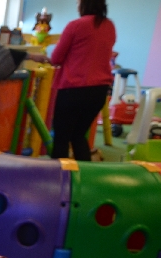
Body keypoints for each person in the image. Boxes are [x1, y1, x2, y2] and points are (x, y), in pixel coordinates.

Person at [49, 0, 115, 160]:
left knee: (61, 138)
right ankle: (83, 172)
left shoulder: (76, 25)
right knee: (78, 135)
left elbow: (56, 58)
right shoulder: (109, 26)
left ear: (84, 4)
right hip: (99, 90)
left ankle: (59, 173)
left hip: (74, 88)